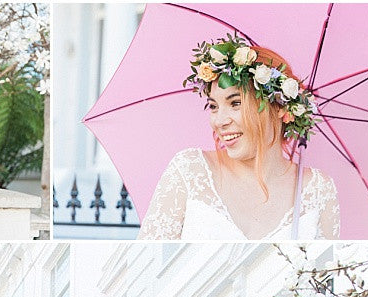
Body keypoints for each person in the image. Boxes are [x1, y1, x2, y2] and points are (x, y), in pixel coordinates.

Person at [139, 36, 340, 241]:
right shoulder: (190, 171)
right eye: (214, 107)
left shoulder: (317, 189)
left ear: (279, 106)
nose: (219, 121)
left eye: (235, 103)